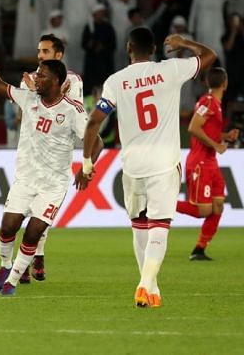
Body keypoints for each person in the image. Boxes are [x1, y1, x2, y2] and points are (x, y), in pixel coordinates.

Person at [82, 29, 216, 308]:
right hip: (164, 162)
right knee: (159, 226)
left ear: (128, 47)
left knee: (139, 225)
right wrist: (184, 44)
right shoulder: (171, 69)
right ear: (154, 48)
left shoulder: (115, 81)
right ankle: (145, 283)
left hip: (132, 165)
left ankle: (152, 288)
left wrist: (86, 161)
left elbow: (94, 122)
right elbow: (210, 57)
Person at [0, 33, 100, 296]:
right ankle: (4, 266)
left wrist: (86, 168)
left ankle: (11, 282)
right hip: (26, 178)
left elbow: (96, 140)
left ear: (56, 81)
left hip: (53, 184)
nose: (35, 78)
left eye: (41, 76)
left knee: (33, 233)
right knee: (8, 227)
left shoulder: (72, 110)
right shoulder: (28, 97)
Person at [16, 34, 84, 282]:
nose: (40, 55)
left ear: (59, 55)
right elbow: (27, 111)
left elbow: (75, 110)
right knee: (25, 208)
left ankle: (35, 257)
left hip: (57, 154)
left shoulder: (74, 80)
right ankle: (32, 259)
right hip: (31, 152)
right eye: (38, 51)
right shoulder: (28, 81)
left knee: (41, 211)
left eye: (45, 51)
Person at [176, 68, 240, 260]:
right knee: (202, 210)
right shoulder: (208, 102)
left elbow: (207, 130)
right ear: (225, 83)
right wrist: (216, 145)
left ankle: (199, 249)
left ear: (207, 82)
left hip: (211, 162)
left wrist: (224, 137)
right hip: (200, 162)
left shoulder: (215, 104)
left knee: (218, 206)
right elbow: (193, 127)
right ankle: (160, 204)